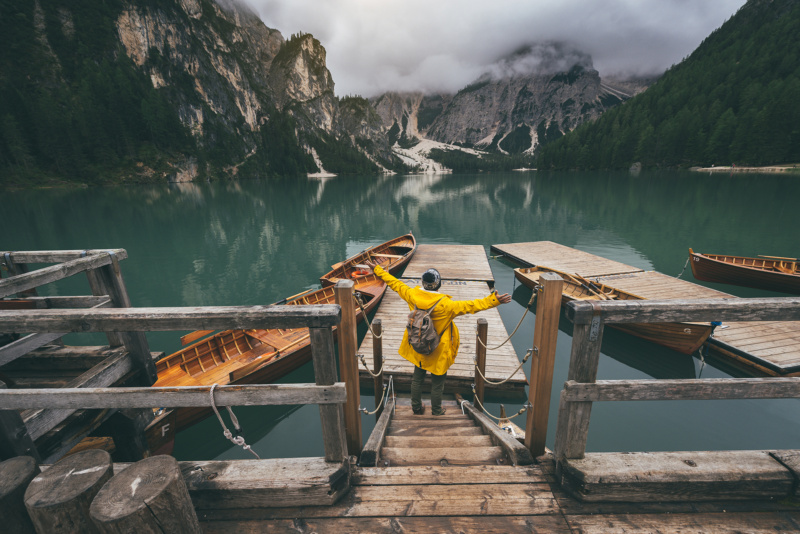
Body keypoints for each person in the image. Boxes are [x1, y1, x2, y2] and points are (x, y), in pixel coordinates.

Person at [365, 261, 512, 415]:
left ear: (422, 283)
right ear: (438, 285)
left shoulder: (412, 295)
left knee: (417, 378)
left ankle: (416, 407)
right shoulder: (446, 305)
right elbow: (471, 306)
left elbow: (393, 282)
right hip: (438, 348)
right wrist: (494, 300)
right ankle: (436, 410)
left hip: (418, 343)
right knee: (437, 383)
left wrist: (377, 269)